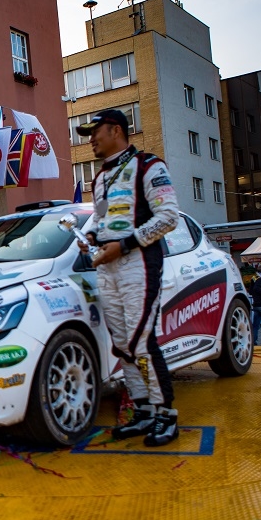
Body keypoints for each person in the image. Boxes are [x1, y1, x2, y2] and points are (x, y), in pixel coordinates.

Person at [76, 109, 181, 447]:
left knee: (140, 341)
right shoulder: (102, 176)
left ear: (116, 130)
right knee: (123, 345)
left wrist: (123, 245)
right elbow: (101, 216)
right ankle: (144, 411)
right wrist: (91, 237)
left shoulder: (150, 166)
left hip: (138, 262)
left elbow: (168, 218)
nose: (90, 139)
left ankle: (166, 415)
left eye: (95, 132)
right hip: (107, 265)